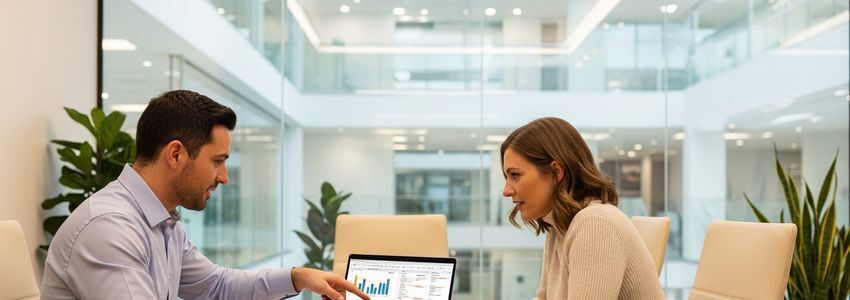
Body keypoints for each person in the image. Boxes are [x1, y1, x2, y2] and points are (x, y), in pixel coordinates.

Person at [41, 90, 370, 300]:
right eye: (218, 161)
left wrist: (298, 278)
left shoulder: (163, 222)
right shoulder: (109, 227)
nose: (224, 177)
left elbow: (215, 286)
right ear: (175, 154)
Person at [500, 117, 664, 299]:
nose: (506, 191)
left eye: (515, 175)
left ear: (556, 172)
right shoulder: (560, 226)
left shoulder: (595, 224)